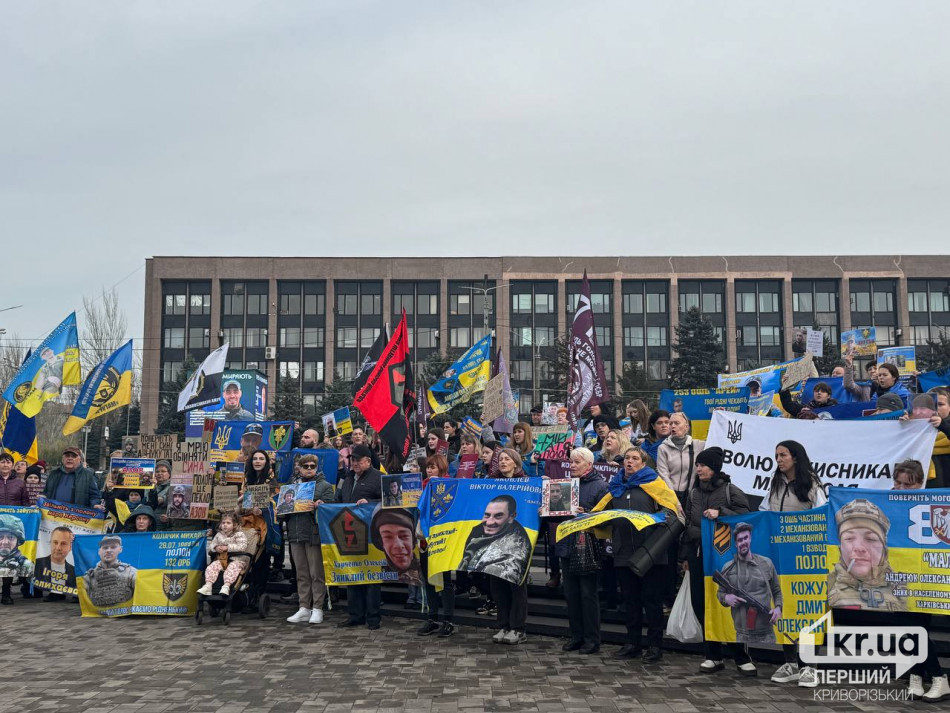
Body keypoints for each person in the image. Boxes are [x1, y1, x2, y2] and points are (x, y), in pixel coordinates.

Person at [678, 447, 755, 675]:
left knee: (731, 604)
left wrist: (720, 512)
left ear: (714, 468)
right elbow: (687, 525)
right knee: (702, 604)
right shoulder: (694, 493)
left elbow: (746, 518)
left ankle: (741, 657)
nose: (698, 469)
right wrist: (685, 557)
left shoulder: (731, 490)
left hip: (725, 558)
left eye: (703, 465)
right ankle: (712, 655)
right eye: (697, 465)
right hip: (699, 555)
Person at [603, 447, 681, 663]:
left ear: (643, 464)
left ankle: (655, 646)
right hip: (623, 552)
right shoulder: (615, 487)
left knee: (652, 601)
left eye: (635, 458)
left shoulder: (655, 484)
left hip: (651, 553)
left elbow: (671, 511)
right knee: (631, 601)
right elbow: (602, 512)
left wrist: (657, 518)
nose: (629, 461)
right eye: (627, 458)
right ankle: (632, 643)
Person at [761, 440, 826, 686]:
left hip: (804, 557)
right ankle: (790, 662)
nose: (778, 459)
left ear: (796, 457)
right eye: (776, 455)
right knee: (783, 608)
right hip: (780, 556)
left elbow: (822, 515)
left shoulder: (812, 484)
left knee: (807, 610)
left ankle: (809, 665)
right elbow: (764, 511)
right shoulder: (775, 483)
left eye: (783, 455)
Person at [886, 461, 949, 701]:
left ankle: (938, 677)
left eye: (908, 484)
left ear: (920, 483)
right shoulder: (886, 501)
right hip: (897, 576)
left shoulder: (931, 502)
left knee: (916, 628)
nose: (901, 488)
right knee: (908, 628)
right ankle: (916, 676)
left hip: (924, 577)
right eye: (898, 482)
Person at [555, 447, 609, 655]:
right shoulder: (566, 484)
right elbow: (559, 514)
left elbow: (606, 519)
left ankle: (592, 639)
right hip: (567, 545)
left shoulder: (601, 486)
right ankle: (576, 636)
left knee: (588, 595)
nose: (572, 466)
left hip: (587, 547)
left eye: (577, 462)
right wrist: (548, 510)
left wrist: (586, 514)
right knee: (571, 594)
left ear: (589, 464)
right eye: (571, 462)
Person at [461, 493, 533, 646]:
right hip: (493, 568)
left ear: (512, 517)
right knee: (498, 591)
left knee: (516, 591)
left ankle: (518, 629)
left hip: (515, 563)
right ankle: (504, 626)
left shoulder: (519, 539)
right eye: (487, 515)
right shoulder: (477, 532)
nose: (490, 522)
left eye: (498, 516)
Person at [656, 412, 704, 609]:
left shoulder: (698, 445)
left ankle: (689, 599)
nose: (672, 426)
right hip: (671, 500)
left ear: (687, 426)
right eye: (670, 423)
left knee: (689, 546)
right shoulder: (663, 448)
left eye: (676, 423)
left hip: (692, 498)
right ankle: (669, 596)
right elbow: (663, 475)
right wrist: (675, 502)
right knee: (670, 547)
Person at [335, 444, 383, 630]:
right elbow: (338, 500)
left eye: (358, 460)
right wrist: (325, 504)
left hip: (371, 536)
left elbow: (389, 500)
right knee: (352, 575)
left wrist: (369, 502)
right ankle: (355, 615)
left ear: (368, 461)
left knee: (371, 578)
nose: (354, 463)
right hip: (349, 533)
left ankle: (373, 617)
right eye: (352, 460)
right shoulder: (346, 478)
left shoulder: (378, 477)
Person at [827, 499, 905, 611]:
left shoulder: (905, 587)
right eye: (849, 538)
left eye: (870, 539)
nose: (859, 548)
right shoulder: (825, 585)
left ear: (884, 549)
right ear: (840, 547)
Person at [283, 453, 334, 624]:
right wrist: (281, 509)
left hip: (314, 533)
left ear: (317, 468)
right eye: (306, 466)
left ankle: (318, 607)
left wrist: (320, 506)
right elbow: (284, 512)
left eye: (313, 466)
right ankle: (304, 607)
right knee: (301, 573)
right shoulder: (292, 486)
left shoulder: (325, 486)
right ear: (299, 468)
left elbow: (331, 509)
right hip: (295, 533)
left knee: (316, 573)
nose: (309, 469)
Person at [716, 523, 783, 644]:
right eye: (739, 540)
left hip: (766, 633)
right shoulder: (728, 567)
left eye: (745, 538)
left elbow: (777, 591)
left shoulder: (766, 563)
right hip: (741, 634)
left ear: (750, 537)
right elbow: (720, 593)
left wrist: (778, 608)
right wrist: (726, 598)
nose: (743, 542)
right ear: (736, 544)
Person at [197, 513, 249, 597]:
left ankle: (226, 586)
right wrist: (215, 547)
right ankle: (208, 586)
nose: (225, 525)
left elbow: (242, 546)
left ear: (234, 525)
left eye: (228, 523)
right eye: (223, 523)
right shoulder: (219, 535)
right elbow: (211, 546)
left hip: (237, 560)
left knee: (232, 568)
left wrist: (228, 548)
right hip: (222, 559)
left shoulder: (239, 534)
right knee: (212, 567)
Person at [81, 535, 136, 607]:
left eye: (113, 547)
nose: (108, 550)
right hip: (97, 613)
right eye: (105, 548)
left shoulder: (131, 572)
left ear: (120, 549)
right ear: (99, 551)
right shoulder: (89, 577)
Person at [371, 507, 422, 586]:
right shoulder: (375, 572)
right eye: (388, 537)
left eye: (404, 536)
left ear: (413, 540)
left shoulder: (425, 570)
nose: (398, 545)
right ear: (381, 543)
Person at [843, 356, 910, 402]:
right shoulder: (865, 387)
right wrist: (849, 366)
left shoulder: (903, 393)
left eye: (875, 368)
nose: (872, 371)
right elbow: (848, 385)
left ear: (894, 377)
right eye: (880, 375)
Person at [0, 514, 34, 605]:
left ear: (18, 541)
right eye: (0, 537)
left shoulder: (23, 562)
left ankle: (6, 594)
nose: (5, 542)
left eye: (11, 537)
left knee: (10, 567)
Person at [34, 525, 76, 596]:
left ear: (70, 547)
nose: (58, 548)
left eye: (63, 543)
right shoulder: (35, 565)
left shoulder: (74, 572)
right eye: (55, 542)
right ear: (50, 543)